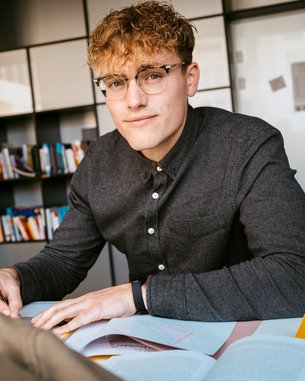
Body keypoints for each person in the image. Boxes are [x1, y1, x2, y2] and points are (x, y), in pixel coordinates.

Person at [0, 1, 305, 335]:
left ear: (190, 79)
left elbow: (294, 274)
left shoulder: (247, 145)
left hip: (249, 334)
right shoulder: (98, 162)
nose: (134, 101)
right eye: (116, 83)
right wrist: (17, 278)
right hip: (152, 342)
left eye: (152, 75)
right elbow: (62, 261)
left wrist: (138, 297)